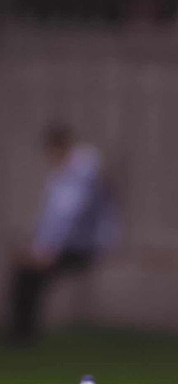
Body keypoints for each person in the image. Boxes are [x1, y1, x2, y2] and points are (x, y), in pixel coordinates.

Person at [4, 123, 121, 346]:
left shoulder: (81, 174)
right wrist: (38, 247)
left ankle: (23, 335)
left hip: (83, 247)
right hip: (68, 245)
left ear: (59, 147)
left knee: (28, 275)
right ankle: (23, 332)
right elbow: (53, 219)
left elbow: (68, 218)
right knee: (26, 273)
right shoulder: (65, 174)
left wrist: (46, 250)